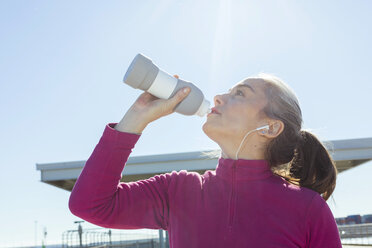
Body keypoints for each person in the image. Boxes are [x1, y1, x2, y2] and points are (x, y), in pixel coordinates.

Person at [69, 73, 342, 247]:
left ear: (270, 127)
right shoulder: (178, 190)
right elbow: (90, 205)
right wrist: (137, 117)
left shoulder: (308, 209)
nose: (218, 97)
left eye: (240, 93)